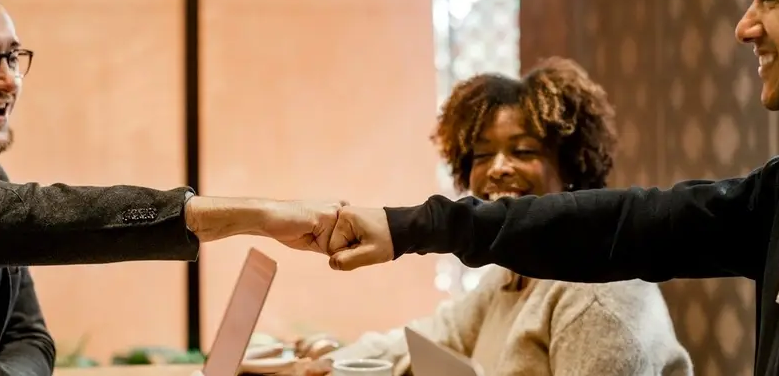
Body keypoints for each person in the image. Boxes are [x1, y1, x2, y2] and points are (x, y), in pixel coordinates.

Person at [324, 0, 779, 375]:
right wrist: (327, 356)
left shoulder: (599, 298)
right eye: (484, 155)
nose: (744, 26)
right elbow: (633, 220)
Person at [0, 0, 344, 374]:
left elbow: (29, 337)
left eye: (13, 56)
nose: (8, 78)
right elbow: (23, 213)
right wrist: (254, 215)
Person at [295, 61, 692, 376]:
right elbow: (438, 337)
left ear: (571, 166)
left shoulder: (598, 293)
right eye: (482, 156)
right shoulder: (512, 271)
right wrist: (337, 360)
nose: (498, 168)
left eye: (522, 151)